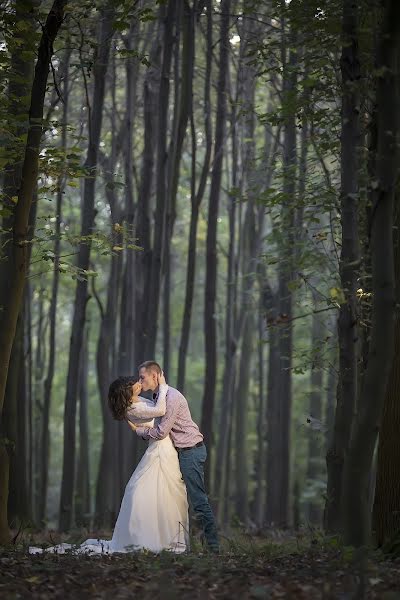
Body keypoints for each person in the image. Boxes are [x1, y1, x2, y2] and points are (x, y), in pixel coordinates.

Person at [29, 372, 189, 555]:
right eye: (133, 385)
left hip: (164, 448)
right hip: (159, 449)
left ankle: (162, 537)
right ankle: (146, 538)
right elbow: (161, 411)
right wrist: (164, 385)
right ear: (127, 394)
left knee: (161, 491)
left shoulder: (138, 402)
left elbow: (160, 415)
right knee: (142, 490)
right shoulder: (133, 408)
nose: (138, 384)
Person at [128, 360, 219, 553]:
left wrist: (140, 432)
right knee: (178, 499)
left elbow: (161, 432)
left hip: (191, 451)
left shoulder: (171, 397)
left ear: (155, 376)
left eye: (142, 377)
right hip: (180, 452)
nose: (140, 381)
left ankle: (214, 548)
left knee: (198, 500)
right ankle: (182, 544)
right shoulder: (158, 396)